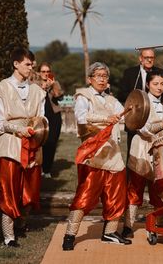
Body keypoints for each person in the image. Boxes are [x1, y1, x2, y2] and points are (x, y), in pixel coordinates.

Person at [62, 62, 131, 251]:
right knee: (84, 196)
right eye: (98, 75)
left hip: (114, 155)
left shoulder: (112, 100)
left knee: (117, 197)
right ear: (90, 78)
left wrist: (136, 109)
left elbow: (125, 115)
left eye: (105, 76)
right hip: (93, 154)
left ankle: (109, 233)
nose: (102, 79)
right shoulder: (83, 96)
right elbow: (81, 118)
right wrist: (105, 119)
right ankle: (69, 235)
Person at [0, 47, 46, 247]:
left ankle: (21, 224)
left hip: (32, 145)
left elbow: (42, 117)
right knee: (9, 189)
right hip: (10, 145)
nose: (31, 68)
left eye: (32, 64)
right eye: (28, 64)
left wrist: (36, 131)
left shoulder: (38, 91)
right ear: (16, 64)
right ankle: (8, 235)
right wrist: (17, 129)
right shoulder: (2, 88)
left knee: (29, 189)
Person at [121, 70, 163, 238]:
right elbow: (141, 129)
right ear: (147, 85)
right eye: (155, 84)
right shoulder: (140, 102)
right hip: (142, 150)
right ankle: (128, 225)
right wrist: (161, 125)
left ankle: (158, 223)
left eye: (162, 84)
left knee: (159, 188)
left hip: (161, 151)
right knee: (135, 189)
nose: (159, 87)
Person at [118, 49, 163, 163]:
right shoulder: (130, 72)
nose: (149, 59)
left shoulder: (161, 73)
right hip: (135, 120)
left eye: (151, 57)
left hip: (156, 121)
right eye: (146, 57)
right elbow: (121, 94)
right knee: (133, 157)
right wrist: (137, 100)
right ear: (140, 58)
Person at [38, 62, 64, 178]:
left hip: (54, 116)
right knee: (40, 143)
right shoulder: (34, 84)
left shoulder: (55, 82)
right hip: (40, 115)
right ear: (39, 73)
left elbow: (60, 97)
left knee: (52, 142)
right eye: (43, 71)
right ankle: (39, 167)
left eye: (48, 71)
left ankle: (47, 169)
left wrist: (53, 86)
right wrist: (44, 87)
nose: (46, 74)